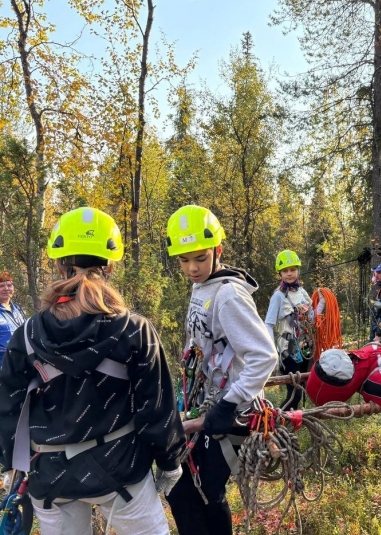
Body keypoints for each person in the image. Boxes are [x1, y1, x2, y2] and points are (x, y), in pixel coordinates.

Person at [0, 207, 185, 534]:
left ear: (59, 262)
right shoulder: (133, 330)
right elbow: (155, 410)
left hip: (51, 475)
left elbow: (8, 409)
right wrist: (169, 463)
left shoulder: (27, 335)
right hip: (120, 469)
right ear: (110, 264)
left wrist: (8, 463)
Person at [165, 205, 277, 535]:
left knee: (201, 491)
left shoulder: (228, 294)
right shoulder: (204, 288)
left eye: (199, 258)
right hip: (205, 403)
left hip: (228, 412)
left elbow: (263, 356)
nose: (192, 268)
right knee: (188, 490)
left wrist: (229, 404)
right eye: (184, 260)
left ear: (218, 250)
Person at [265, 250, 315, 410]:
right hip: (288, 349)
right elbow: (269, 324)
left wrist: (320, 305)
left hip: (305, 348)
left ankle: (300, 420)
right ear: (279, 273)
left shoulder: (303, 293)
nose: (289, 274)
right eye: (285, 271)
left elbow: (312, 318)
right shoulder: (278, 296)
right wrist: (270, 351)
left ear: (298, 270)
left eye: (292, 270)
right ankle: (279, 421)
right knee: (295, 393)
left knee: (307, 386)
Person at [0, 271, 26, 368]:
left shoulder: (18, 310)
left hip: (20, 366)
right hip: (3, 367)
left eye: (9, 285)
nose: (6, 289)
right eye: (1, 286)